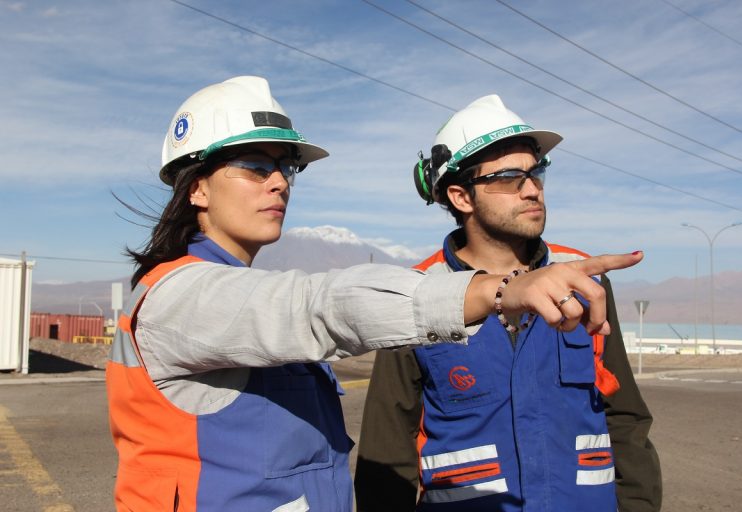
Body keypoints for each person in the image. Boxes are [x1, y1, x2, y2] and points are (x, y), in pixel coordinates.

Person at [106, 77, 642, 512]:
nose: (280, 182)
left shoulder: (584, 282)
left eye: (286, 166)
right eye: (255, 165)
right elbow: (320, 307)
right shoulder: (178, 298)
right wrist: (501, 292)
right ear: (196, 187)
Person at [355, 95, 662, 511]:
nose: (532, 189)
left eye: (536, 173)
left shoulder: (585, 282)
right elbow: (388, 448)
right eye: (510, 177)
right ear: (462, 197)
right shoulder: (418, 296)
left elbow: (624, 418)